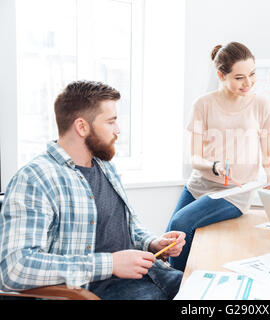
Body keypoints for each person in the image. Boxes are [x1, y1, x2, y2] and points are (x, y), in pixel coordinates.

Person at [0, 80, 186, 300]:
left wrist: (153, 243)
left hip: (150, 274)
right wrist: (111, 264)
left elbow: (126, 227)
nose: (118, 130)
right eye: (111, 121)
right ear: (82, 126)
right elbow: (15, 268)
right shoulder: (35, 178)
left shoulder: (104, 165)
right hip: (97, 291)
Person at [166, 42, 270, 271]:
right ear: (221, 74)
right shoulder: (203, 104)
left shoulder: (261, 105)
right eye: (239, 77)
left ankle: (177, 284)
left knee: (181, 222)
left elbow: (268, 150)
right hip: (199, 185)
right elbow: (195, 158)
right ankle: (175, 283)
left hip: (234, 192)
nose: (248, 83)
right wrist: (214, 165)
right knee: (172, 233)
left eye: (252, 74)